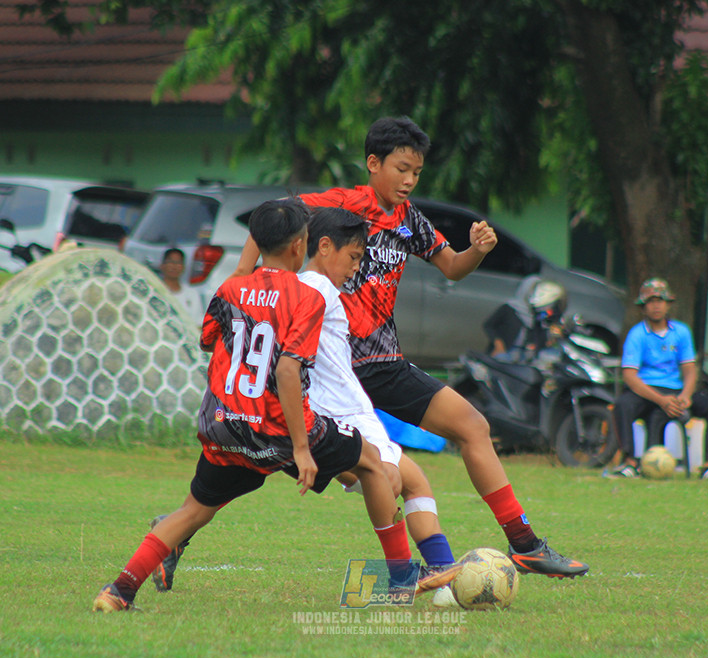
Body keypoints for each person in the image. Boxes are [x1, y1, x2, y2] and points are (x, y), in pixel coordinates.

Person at [232, 116, 588, 578]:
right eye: (401, 169)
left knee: (472, 427)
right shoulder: (342, 204)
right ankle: (177, 532)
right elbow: (272, 214)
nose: (409, 180)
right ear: (373, 163)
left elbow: (453, 268)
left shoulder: (410, 219)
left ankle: (523, 543)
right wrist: (242, 282)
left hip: (384, 365)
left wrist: (477, 249)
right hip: (330, 370)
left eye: (416, 173)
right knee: (263, 461)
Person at [92, 199, 447, 612]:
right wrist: (300, 446)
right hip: (277, 426)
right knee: (373, 464)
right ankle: (402, 577)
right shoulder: (306, 298)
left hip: (224, 423)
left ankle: (119, 590)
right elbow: (288, 371)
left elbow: (207, 340)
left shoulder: (229, 289)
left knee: (193, 511)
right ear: (301, 245)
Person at [612, 278, 708, 481]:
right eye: (651, 301)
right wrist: (661, 400)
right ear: (643, 306)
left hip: (675, 390)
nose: (656, 306)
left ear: (668, 304)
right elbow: (630, 377)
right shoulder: (637, 334)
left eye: (660, 300)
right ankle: (630, 463)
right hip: (647, 390)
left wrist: (686, 396)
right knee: (622, 405)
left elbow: (690, 370)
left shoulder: (681, 332)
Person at [483, 277, 566, 362]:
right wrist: (498, 344)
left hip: (527, 353)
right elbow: (489, 325)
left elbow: (542, 331)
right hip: (507, 350)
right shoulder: (509, 308)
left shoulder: (539, 313)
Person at [159, 247, 207, 326]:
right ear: (162, 266)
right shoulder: (156, 291)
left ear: (183, 267)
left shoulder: (192, 293)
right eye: (171, 262)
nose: (174, 266)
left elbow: (198, 322)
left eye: (178, 263)